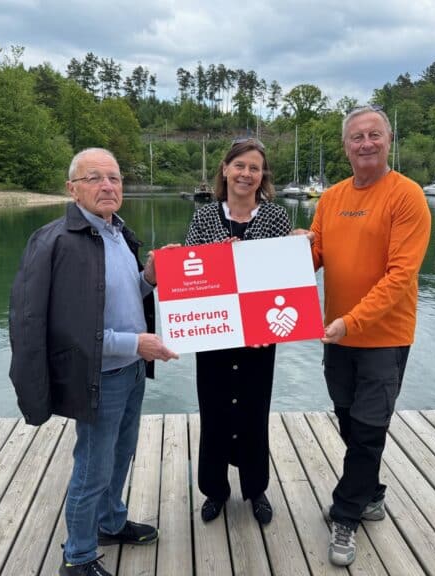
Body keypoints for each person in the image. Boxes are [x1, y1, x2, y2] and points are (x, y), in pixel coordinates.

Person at [8, 148, 178, 576]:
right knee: (92, 467)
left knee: (120, 455)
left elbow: (121, 294)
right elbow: (68, 330)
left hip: (132, 370)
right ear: (72, 189)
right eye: (94, 178)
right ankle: (78, 556)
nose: (107, 186)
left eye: (114, 178)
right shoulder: (58, 242)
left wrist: (150, 278)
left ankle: (110, 522)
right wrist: (136, 342)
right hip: (99, 377)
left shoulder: (117, 231)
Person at [309, 106, 431, 566]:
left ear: (389, 139)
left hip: (383, 337)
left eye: (374, 135)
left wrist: (352, 322)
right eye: (357, 137)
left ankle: (346, 514)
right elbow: (314, 256)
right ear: (345, 147)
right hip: (337, 336)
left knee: (367, 429)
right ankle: (372, 492)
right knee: (349, 421)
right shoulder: (331, 198)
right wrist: (288, 252)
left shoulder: (407, 196)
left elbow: (400, 276)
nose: (366, 143)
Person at [185, 138, 292, 526]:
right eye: (240, 166)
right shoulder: (204, 216)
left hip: (260, 336)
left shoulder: (276, 217)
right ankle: (214, 490)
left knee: (254, 412)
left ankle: (255, 488)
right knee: (213, 413)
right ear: (225, 169)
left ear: (263, 175)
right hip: (215, 332)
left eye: (254, 168)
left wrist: (300, 245)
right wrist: (218, 258)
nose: (246, 174)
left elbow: (285, 277)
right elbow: (190, 276)